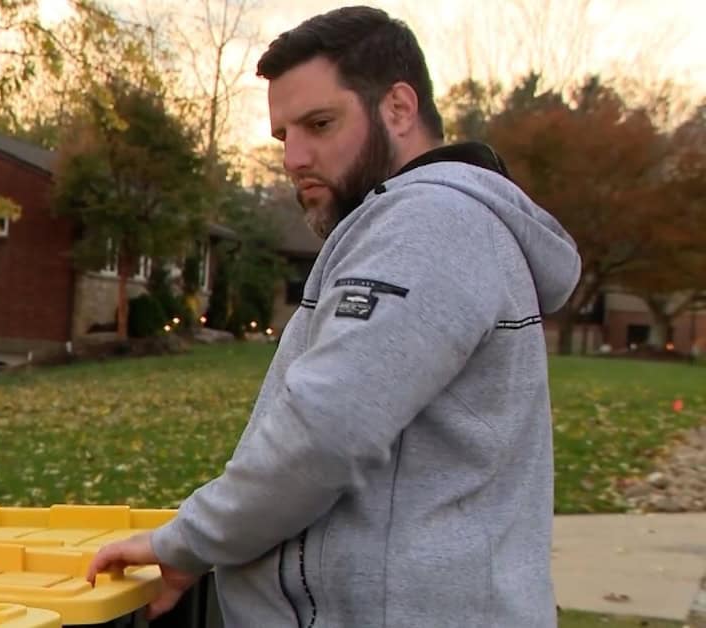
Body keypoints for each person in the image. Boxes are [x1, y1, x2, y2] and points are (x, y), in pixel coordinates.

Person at [86, 5, 582, 627]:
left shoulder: (428, 224)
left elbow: (325, 431)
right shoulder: (424, 223)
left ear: (398, 109)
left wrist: (188, 541)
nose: (294, 157)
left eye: (319, 124)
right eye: (283, 136)